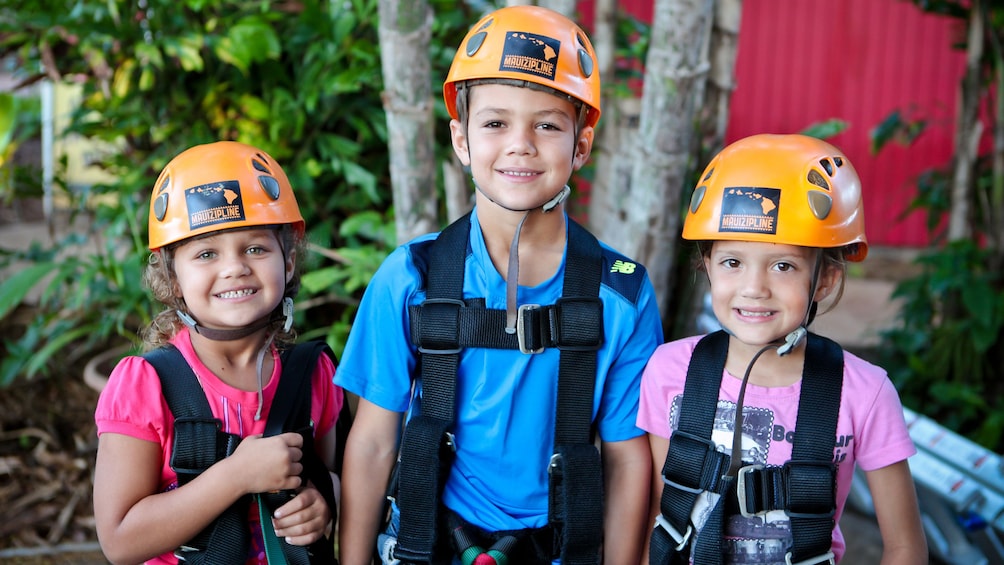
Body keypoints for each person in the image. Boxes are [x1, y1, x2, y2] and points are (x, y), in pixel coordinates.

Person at [336, 5, 663, 565]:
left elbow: (629, 457)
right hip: (430, 541)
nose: (521, 144)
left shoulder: (621, 295)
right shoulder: (411, 279)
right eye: (495, 123)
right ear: (461, 140)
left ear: (581, 144)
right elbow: (371, 440)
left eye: (548, 124)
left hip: (561, 544)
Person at [639, 133, 927, 564]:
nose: (755, 289)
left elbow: (905, 547)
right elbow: (660, 512)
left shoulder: (864, 393)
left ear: (824, 279)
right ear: (708, 267)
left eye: (784, 265)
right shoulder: (670, 370)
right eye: (733, 262)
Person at [93, 141, 344, 565]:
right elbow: (120, 540)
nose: (234, 267)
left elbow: (334, 476)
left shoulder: (311, 373)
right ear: (173, 278)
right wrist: (236, 476)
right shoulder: (146, 385)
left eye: (256, 248)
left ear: (287, 261)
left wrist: (325, 503)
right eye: (207, 254)